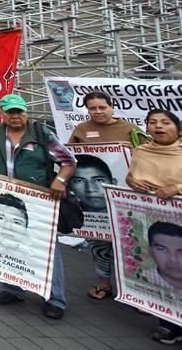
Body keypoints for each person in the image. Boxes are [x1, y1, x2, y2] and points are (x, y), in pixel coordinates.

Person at [0, 93, 75, 319]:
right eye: (11, 112)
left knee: (46, 248)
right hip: (5, 197)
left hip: (37, 200)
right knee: (7, 244)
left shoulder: (40, 133)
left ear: (26, 112)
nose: (16, 117)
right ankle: (12, 289)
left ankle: (55, 299)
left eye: (20, 112)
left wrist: (60, 180)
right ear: (2, 114)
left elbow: (68, 161)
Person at [66, 91, 137, 301]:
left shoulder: (130, 129)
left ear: (112, 107)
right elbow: (72, 157)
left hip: (125, 197)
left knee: (130, 245)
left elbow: (146, 154)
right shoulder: (82, 129)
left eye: (102, 107)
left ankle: (133, 291)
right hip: (93, 203)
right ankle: (104, 285)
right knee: (99, 243)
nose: (98, 112)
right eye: (92, 108)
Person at [124, 109, 182, 343]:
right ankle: (168, 324)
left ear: (177, 129)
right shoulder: (141, 151)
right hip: (154, 223)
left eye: (165, 123)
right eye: (152, 123)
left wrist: (177, 188)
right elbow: (132, 176)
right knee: (164, 274)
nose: (158, 126)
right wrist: (131, 180)